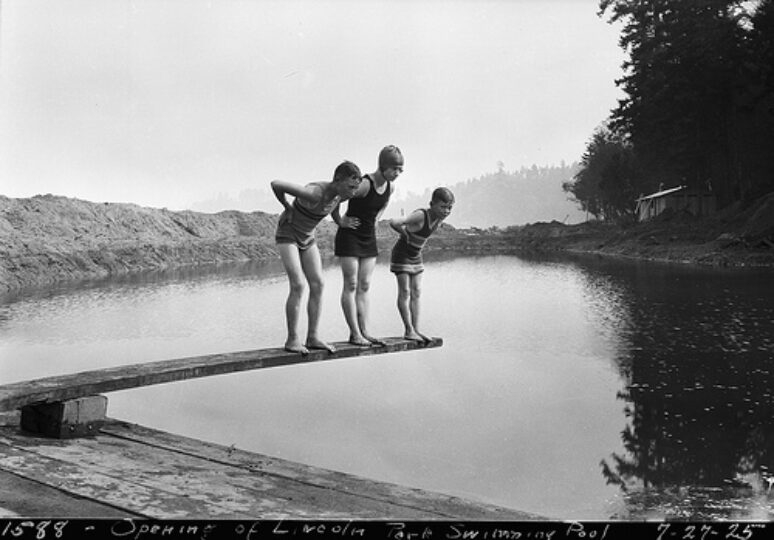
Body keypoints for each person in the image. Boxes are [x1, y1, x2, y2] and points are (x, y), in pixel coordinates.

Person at [271, 161, 363, 355]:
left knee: (318, 284)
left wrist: (341, 222)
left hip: (307, 237)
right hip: (288, 234)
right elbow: (276, 184)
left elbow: (335, 207)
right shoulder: (315, 193)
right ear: (338, 180)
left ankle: (312, 337)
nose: (353, 192)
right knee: (298, 284)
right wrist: (287, 206)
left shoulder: (341, 195)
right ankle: (292, 339)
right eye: (351, 187)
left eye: (356, 188)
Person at [332, 145, 404, 346]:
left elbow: (383, 204)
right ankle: (354, 333)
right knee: (351, 284)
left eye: (400, 170)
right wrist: (339, 220)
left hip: (368, 237)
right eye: (394, 169)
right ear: (383, 166)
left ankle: (364, 331)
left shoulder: (390, 187)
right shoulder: (364, 184)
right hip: (350, 236)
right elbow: (337, 195)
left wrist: (376, 220)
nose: (397, 173)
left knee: (364, 285)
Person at [389, 187, 454, 343]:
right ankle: (408, 330)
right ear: (432, 204)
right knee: (405, 291)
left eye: (449, 208)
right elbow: (394, 222)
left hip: (416, 255)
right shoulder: (421, 215)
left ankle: (416, 329)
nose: (446, 211)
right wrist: (404, 233)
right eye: (443, 207)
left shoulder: (439, 218)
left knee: (417, 291)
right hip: (402, 254)